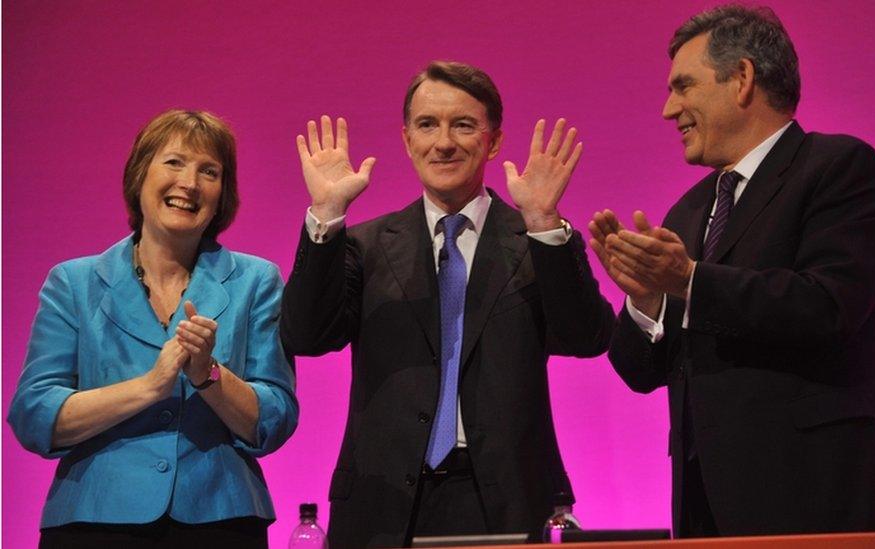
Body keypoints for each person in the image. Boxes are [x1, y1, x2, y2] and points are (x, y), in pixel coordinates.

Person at [588, 5, 875, 538]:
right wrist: (646, 300)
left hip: (817, 500)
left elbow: (828, 305)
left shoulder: (836, 167)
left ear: (741, 79)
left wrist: (691, 281)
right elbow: (641, 372)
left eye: (683, 86)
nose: (669, 109)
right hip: (705, 510)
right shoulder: (689, 212)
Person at [281, 61, 614, 547]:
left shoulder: (535, 240)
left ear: (493, 140)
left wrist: (544, 220)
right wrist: (327, 215)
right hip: (384, 504)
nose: (444, 142)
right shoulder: (365, 245)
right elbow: (308, 336)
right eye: (427, 125)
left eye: (463, 125)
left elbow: (589, 337)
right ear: (406, 139)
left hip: (507, 502)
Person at [7, 110, 299, 548]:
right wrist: (149, 387)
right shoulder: (73, 283)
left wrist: (208, 376)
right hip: (92, 520)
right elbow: (34, 415)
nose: (190, 183)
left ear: (223, 195)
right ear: (139, 175)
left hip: (219, 520)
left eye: (209, 171)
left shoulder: (257, 281)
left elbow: (274, 419)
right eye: (175, 162)